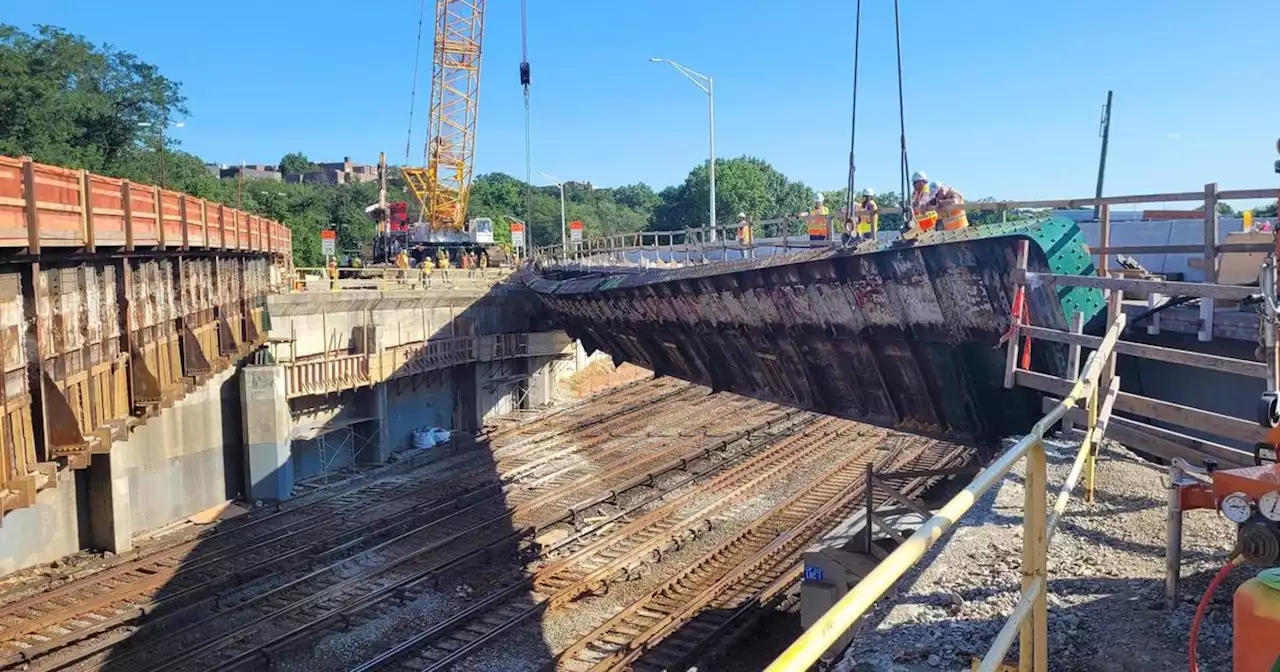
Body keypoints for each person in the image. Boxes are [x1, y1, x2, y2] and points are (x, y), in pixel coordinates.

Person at [907, 171, 938, 236]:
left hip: (929, 223)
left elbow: (920, 206)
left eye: (915, 182)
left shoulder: (927, 191)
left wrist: (913, 205)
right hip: (921, 224)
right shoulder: (917, 192)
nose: (913, 185)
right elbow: (911, 203)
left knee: (907, 237)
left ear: (921, 182)